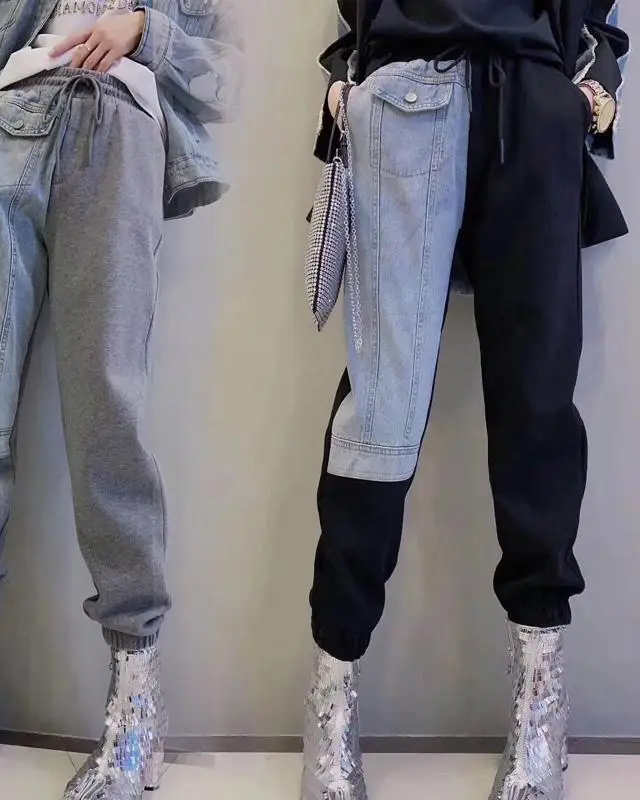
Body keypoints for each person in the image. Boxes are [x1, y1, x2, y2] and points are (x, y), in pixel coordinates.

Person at [0, 1, 242, 797]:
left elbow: (230, 64)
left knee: (108, 420)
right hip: (9, 126)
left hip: (122, 129)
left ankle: (137, 706)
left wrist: (147, 29)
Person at [301, 2, 628, 799]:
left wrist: (595, 87)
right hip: (405, 95)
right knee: (380, 413)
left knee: (537, 407)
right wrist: (348, 78)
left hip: (536, 107)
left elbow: (603, 15)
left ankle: (540, 705)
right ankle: (330, 698)